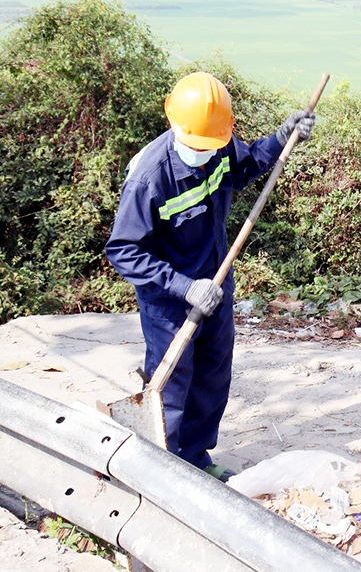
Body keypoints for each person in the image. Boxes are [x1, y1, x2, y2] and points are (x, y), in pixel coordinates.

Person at [105, 71, 314, 479]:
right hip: (170, 299)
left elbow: (245, 166)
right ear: (174, 124)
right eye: (196, 145)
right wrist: (185, 288)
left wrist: (282, 137)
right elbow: (123, 250)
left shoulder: (216, 143)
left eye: (210, 144)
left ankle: (196, 461)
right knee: (173, 386)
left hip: (216, 281)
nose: (204, 152)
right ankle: (164, 469)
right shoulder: (149, 179)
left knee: (213, 376)